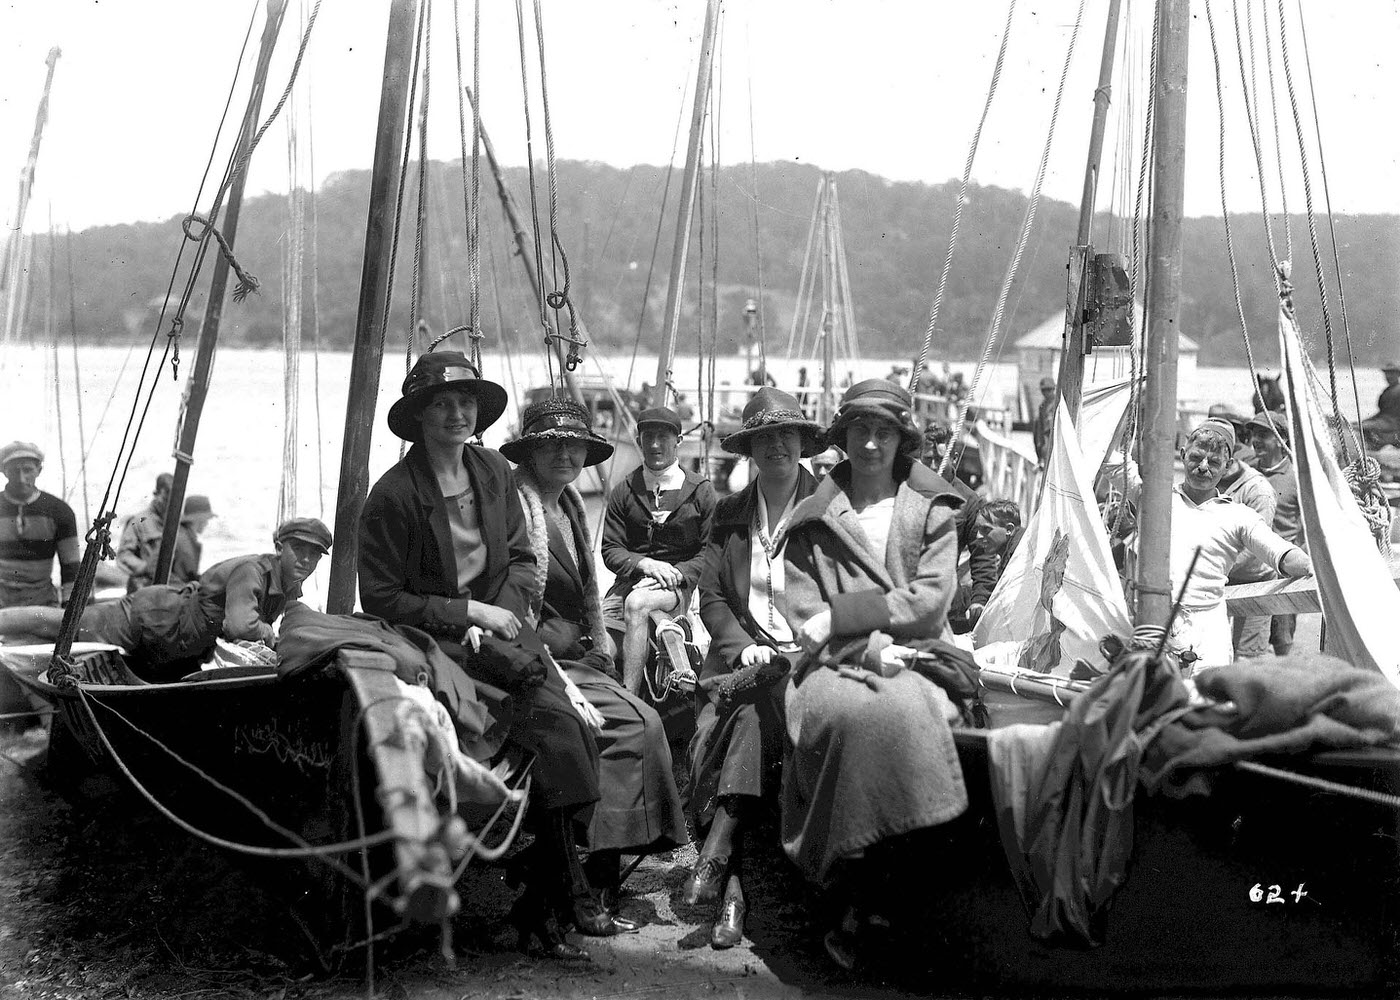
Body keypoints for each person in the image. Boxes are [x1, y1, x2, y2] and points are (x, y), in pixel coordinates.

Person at [357, 352, 627, 961]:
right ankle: (561, 893)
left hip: (503, 633)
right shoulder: (395, 495)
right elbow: (380, 597)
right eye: (442, 404)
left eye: (465, 403)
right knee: (552, 731)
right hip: (438, 640)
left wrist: (499, 615)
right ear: (419, 416)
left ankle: (540, 888)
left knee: (572, 732)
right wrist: (468, 614)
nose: (457, 414)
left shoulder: (492, 471)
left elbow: (522, 560)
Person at [780, 379, 971, 967]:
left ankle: (884, 892)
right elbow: (804, 619)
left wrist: (844, 617)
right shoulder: (814, 518)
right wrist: (862, 650)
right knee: (855, 715)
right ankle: (853, 890)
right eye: (859, 430)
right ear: (843, 436)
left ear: (901, 439)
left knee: (908, 711)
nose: (869, 444)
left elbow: (930, 604)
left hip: (918, 656)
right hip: (833, 664)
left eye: (883, 432)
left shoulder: (932, 510)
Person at [501, 397, 688, 926]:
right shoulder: (516, 508)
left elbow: (584, 593)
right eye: (552, 445)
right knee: (631, 726)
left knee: (643, 722)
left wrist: (597, 647)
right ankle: (585, 881)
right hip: (533, 659)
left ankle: (597, 874)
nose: (565, 454)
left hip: (577, 656)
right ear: (530, 452)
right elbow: (509, 601)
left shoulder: (566, 506)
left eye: (575, 445)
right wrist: (563, 646)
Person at [688, 388, 822, 949]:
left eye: (786, 434)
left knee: (752, 711)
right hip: (742, 664)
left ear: (802, 443)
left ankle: (721, 858)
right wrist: (741, 646)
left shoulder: (827, 506)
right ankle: (733, 890)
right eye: (764, 438)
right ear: (749, 449)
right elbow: (713, 595)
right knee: (748, 715)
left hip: (810, 659)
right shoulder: (730, 512)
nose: (777, 446)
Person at [0, 517, 331, 682]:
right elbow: (241, 626)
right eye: (298, 549)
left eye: (314, 554)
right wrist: (271, 636)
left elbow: (292, 616)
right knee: (64, 625)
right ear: (280, 548)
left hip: (177, 642)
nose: (305, 559)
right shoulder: (252, 571)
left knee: (64, 629)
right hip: (153, 619)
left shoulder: (289, 582)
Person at [1160, 421, 1310, 669]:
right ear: (1183, 455)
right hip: (1157, 622)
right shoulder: (1156, 498)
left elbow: (1280, 552)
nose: (1203, 467)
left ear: (1227, 465)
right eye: (1196, 458)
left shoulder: (1238, 515)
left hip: (1208, 630)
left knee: (1219, 685)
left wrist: (1315, 567)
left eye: (1214, 462)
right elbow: (1111, 462)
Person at [600, 406, 716, 696]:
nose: (654, 445)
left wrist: (677, 574)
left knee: (638, 604)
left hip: (678, 586)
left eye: (663, 437)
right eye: (647, 437)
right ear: (638, 440)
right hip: (629, 582)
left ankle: (630, 697)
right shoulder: (625, 490)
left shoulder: (701, 491)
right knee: (599, 649)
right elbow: (611, 548)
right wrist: (645, 565)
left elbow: (711, 551)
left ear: (678, 441)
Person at [1203, 416, 1279, 659]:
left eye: (1214, 459)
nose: (1204, 466)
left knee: (1247, 658)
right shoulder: (1204, 480)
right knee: (1207, 651)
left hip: (1254, 580)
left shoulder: (1258, 490)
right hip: (1218, 580)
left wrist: (1212, 569)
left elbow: (1256, 547)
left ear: (1229, 458)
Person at [1245, 410, 1303, 655]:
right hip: (1249, 568)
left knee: (1282, 637)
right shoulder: (1246, 472)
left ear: (1282, 439)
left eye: (1263, 435)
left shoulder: (1297, 478)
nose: (1255, 441)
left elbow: (1309, 528)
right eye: (1253, 435)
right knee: (1245, 645)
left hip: (1282, 571)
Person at [0, 441, 81, 610]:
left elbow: (71, 568)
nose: (21, 478)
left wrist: (70, 613)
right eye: (14, 471)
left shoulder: (59, 511)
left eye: (28, 470)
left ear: (39, 470)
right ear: (4, 471)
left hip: (42, 603)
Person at [117, 473, 174, 592]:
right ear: (156, 494)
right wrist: (145, 567)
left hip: (169, 589)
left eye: (172, 500)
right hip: (143, 590)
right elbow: (123, 556)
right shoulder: (139, 522)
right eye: (165, 499)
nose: (168, 504)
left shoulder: (177, 524)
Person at [1032, 377, 1057, 466]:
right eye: (1043, 390)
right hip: (1045, 446)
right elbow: (1039, 431)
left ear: (1053, 389)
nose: (1046, 393)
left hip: (1054, 444)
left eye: (1049, 390)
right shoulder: (1042, 406)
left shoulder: (1058, 403)